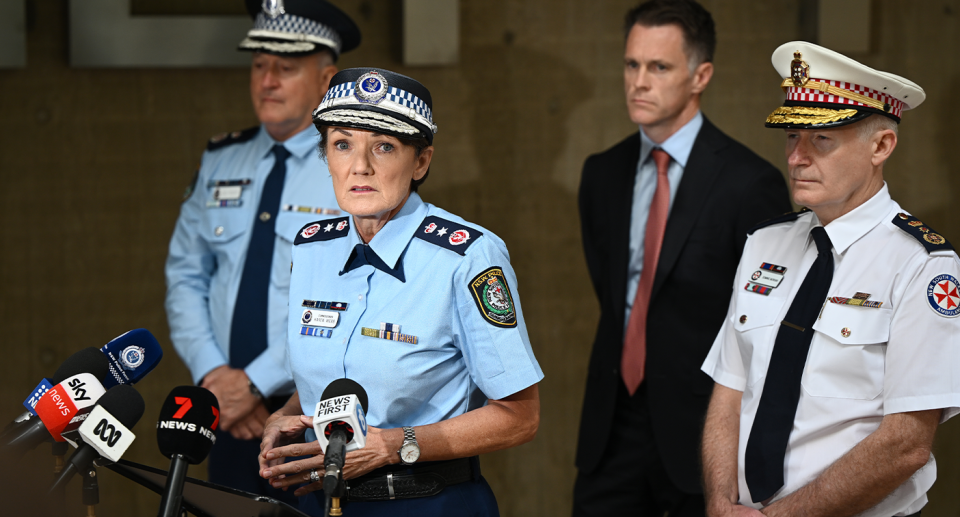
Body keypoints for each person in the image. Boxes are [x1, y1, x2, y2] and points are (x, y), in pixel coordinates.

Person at [255, 68, 544, 517]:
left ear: (421, 162)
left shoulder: (467, 257)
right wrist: (287, 414)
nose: (360, 166)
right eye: (342, 144)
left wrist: (394, 446)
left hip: (427, 502)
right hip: (323, 503)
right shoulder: (311, 247)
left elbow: (520, 417)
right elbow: (338, 370)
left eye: (384, 147)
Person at [701, 41, 960, 517]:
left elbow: (906, 444)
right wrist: (719, 502)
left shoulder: (922, 265)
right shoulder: (764, 243)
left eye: (821, 139)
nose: (796, 157)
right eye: (791, 136)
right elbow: (730, 389)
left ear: (881, 146)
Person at [572, 1, 792, 516]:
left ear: (701, 75)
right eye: (632, 65)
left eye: (659, 67)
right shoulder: (601, 173)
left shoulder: (749, 182)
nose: (639, 82)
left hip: (703, 432)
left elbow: (762, 323)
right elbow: (612, 294)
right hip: (611, 426)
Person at [164, 0, 360, 499]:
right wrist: (215, 376)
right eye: (258, 65)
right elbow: (186, 275)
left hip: (310, 412)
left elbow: (356, 295)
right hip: (224, 414)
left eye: (286, 68)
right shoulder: (221, 157)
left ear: (325, 80)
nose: (267, 80)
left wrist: (252, 384)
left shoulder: (356, 170)